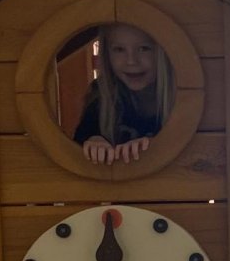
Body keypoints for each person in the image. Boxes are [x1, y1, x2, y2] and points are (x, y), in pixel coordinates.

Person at [72, 22, 174, 164]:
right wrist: (93, 142)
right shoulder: (102, 94)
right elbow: (80, 143)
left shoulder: (183, 94)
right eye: (119, 49)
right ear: (107, 54)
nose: (131, 61)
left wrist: (154, 147)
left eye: (144, 49)